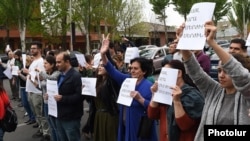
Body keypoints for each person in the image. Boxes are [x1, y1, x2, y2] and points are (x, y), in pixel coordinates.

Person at [179, 21, 250, 141]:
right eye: (219, 71)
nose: (221, 75)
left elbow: (241, 76)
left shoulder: (247, 95)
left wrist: (212, 43)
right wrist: (183, 43)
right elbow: (195, 72)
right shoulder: (214, 90)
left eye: (226, 71)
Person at [100, 34, 158, 141]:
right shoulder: (126, 80)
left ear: (144, 71)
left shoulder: (149, 87)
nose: (132, 71)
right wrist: (103, 54)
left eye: (135, 69)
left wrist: (141, 99)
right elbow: (111, 70)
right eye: (131, 68)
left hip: (139, 129)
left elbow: (154, 110)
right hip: (125, 126)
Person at [148, 60, 204, 141]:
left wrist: (177, 101)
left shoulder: (192, 95)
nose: (162, 77)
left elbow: (184, 125)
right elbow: (152, 115)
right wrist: (155, 95)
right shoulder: (165, 92)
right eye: (162, 73)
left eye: (166, 72)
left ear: (179, 73)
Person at [54, 52, 84, 141]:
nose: (57, 65)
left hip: (71, 117)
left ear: (67, 62)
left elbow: (80, 97)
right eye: (56, 62)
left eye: (59, 62)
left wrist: (63, 98)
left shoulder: (76, 76)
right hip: (60, 115)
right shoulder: (60, 75)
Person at [22, 41, 47, 139]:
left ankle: (46, 133)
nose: (31, 50)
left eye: (34, 48)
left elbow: (41, 78)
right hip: (30, 90)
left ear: (39, 49)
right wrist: (28, 73)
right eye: (31, 48)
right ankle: (41, 130)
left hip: (37, 91)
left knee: (40, 114)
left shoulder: (41, 61)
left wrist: (29, 72)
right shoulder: (34, 61)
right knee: (36, 113)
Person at [92, 60, 120, 141]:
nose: (100, 67)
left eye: (103, 65)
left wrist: (105, 54)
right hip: (99, 115)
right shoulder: (98, 81)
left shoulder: (111, 82)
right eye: (99, 65)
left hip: (109, 115)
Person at [38, 55, 60, 141]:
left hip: (54, 104)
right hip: (46, 103)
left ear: (52, 65)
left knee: (56, 127)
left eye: (46, 63)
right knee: (51, 126)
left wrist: (41, 72)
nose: (44, 65)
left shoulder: (56, 73)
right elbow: (42, 87)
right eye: (44, 63)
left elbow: (52, 79)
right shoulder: (47, 73)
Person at [18, 55, 36, 124]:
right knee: (25, 104)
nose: (22, 61)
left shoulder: (28, 68)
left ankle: (33, 117)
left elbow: (26, 79)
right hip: (22, 87)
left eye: (23, 60)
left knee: (28, 103)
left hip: (26, 87)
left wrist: (20, 74)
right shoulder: (23, 67)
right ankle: (30, 117)